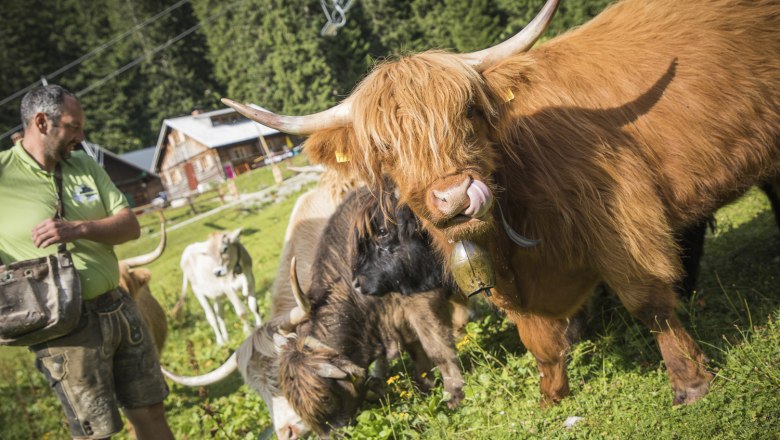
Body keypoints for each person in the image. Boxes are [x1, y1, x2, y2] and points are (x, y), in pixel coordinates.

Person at [0, 85, 174, 440]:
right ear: (41, 122)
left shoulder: (85, 165)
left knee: (152, 413)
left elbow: (129, 226)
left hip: (119, 307)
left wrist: (78, 228)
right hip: (64, 332)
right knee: (95, 433)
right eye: (73, 126)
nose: (81, 136)